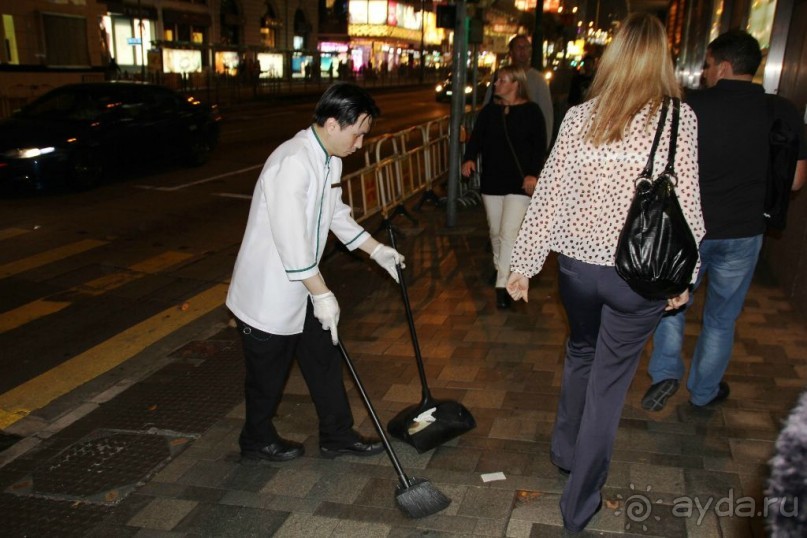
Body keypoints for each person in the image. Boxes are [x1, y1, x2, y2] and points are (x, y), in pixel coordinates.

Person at [505, 14, 705, 533]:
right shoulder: (679, 119)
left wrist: (523, 265)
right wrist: (686, 277)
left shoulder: (580, 116)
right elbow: (689, 207)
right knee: (609, 384)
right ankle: (578, 506)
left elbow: (549, 195)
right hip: (639, 274)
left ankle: (564, 449)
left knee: (580, 350)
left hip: (577, 269)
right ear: (662, 60)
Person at [226, 83, 406, 462]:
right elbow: (291, 238)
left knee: (324, 357)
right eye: (357, 134)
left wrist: (375, 250)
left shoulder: (329, 159)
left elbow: (335, 213)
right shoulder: (293, 162)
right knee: (267, 376)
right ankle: (255, 439)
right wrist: (322, 293)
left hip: (304, 286)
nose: (360, 144)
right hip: (270, 291)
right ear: (332, 124)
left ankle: (336, 435)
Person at [642, 30, 807, 413]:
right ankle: (704, 391)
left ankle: (666, 372)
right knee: (721, 319)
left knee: (672, 302)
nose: (705, 72)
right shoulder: (781, 110)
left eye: (708, 64)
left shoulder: (688, 106)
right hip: (745, 233)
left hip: (690, 231)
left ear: (724, 66)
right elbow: (796, 180)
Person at [461, 66, 547, 309]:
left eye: (502, 80)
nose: (496, 84)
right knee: (495, 231)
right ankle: (502, 267)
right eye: (496, 80)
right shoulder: (489, 112)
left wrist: (532, 174)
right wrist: (468, 159)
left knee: (509, 233)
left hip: (520, 183)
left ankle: (502, 285)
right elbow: (476, 139)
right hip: (493, 181)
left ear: (516, 84)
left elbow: (539, 145)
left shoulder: (532, 111)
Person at [485, 35, 553, 148]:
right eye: (519, 47)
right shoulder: (499, 77)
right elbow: (488, 104)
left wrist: (544, 144)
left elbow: (546, 113)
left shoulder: (538, 80)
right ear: (511, 52)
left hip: (526, 140)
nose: (523, 51)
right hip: (500, 138)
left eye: (526, 47)